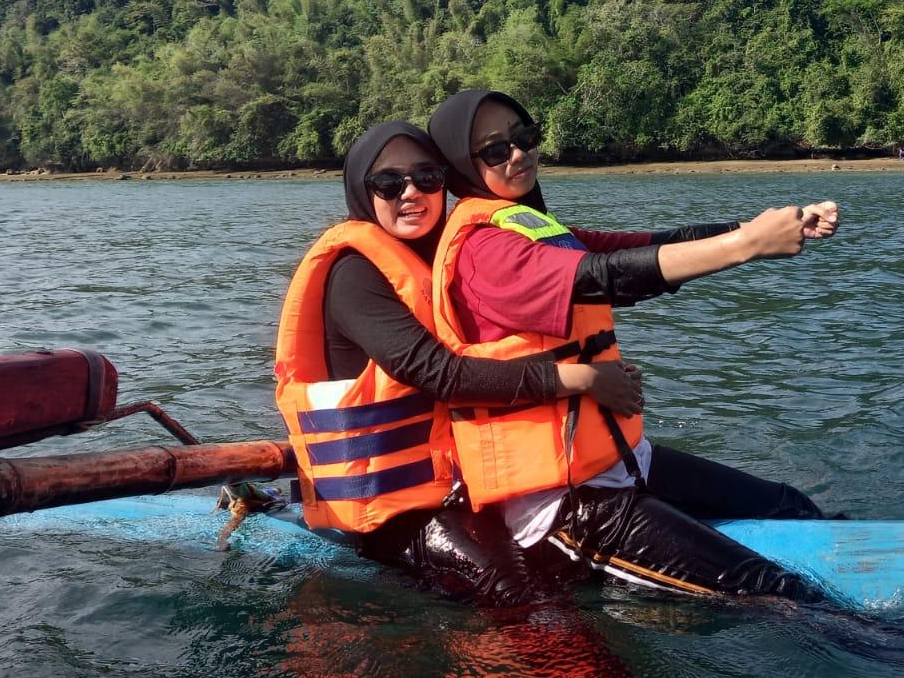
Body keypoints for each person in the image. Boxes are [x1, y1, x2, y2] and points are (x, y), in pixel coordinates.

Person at [427, 89, 840, 600]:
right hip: (562, 506)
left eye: (525, 138)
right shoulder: (483, 251)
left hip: (620, 463)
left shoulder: (533, 229)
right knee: (772, 590)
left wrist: (756, 228)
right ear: (459, 166)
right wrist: (745, 246)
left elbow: (648, 248)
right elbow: (605, 277)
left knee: (789, 505)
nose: (518, 154)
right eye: (494, 150)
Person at [272, 119, 642, 607]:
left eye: (427, 178)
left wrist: (735, 242)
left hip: (467, 485)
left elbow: (603, 262)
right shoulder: (354, 275)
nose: (412, 192)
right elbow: (437, 373)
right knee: (529, 603)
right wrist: (583, 378)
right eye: (389, 182)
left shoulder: (452, 254)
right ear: (363, 192)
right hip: (396, 512)